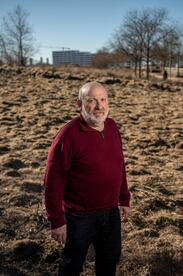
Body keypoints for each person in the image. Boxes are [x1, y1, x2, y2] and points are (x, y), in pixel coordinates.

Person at [44, 81, 131, 276]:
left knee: (109, 261)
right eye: (91, 101)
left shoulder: (112, 126)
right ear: (79, 104)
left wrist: (124, 198)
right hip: (78, 216)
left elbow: (119, 164)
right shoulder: (68, 135)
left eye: (103, 99)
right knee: (72, 265)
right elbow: (53, 180)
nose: (99, 106)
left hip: (110, 212)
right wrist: (57, 220)